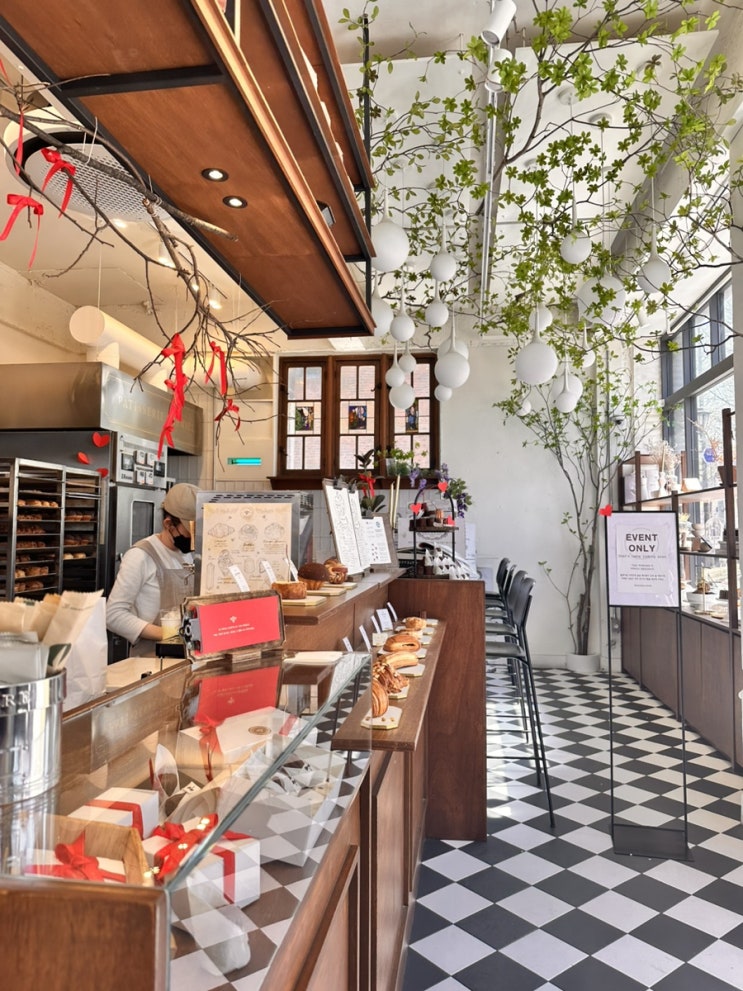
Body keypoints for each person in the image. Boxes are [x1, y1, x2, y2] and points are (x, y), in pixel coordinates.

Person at [107, 483, 199, 656]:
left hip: (188, 655)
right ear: (169, 524)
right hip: (152, 658)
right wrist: (170, 634)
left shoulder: (190, 555)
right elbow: (113, 615)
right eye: (189, 533)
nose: (193, 539)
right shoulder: (141, 555)